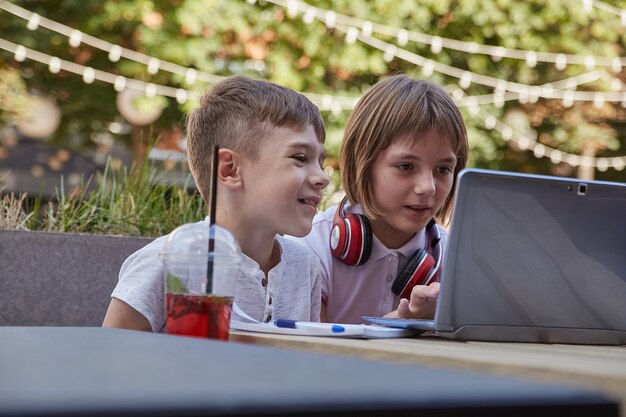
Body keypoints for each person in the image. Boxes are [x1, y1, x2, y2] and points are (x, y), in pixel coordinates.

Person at [103, 75, 330, 332]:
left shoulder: (305, 266)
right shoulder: (164, 262)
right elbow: (111, 360)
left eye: (320, 162)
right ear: (230, 169)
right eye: (300, 158)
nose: (323, 177)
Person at [294, 74, 469, 324]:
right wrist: (399, 325)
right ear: (362, 163)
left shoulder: (458, 261)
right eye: (406, 166)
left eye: (443, 170)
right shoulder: (309, 248)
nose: (428, 187)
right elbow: (310, 358)